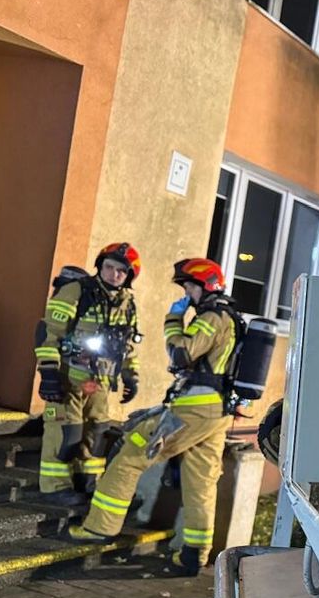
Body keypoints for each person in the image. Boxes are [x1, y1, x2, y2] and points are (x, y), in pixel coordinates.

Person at [66, 258, 240, 576]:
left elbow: (181, 354)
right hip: (215, 413)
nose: (187, 293)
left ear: (206, 286)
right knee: (200, 482)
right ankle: (193, 554)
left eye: (189, 286)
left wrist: (173, 318)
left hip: (194, 408)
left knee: (131, 453)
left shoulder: (213, 317)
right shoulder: (230, 318)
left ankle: (99, 527)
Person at [34, 243, 141, 504]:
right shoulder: (76, 291)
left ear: (128, 276)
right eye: (109, 267)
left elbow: (126, 344)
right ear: (100, 266)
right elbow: (50, 334)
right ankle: (54, 487)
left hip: (101, 381)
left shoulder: (127, 304)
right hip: (68, 376)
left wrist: (131, 376)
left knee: (97, 434)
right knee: (65, 432)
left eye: (120, 271)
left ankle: (87, 483)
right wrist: (48, 373)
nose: (113, 274)